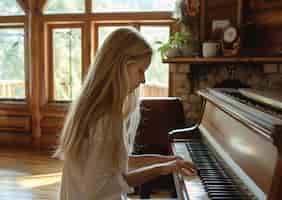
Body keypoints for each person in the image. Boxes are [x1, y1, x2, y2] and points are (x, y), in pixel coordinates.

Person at [54, 28, 197, 200]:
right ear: (122, 66)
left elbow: (116, 164)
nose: (143, 80)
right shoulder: (106, 116)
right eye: (140, 71)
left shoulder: (96, 107)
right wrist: (162, 169)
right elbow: (103, 187)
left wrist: (166, 160)